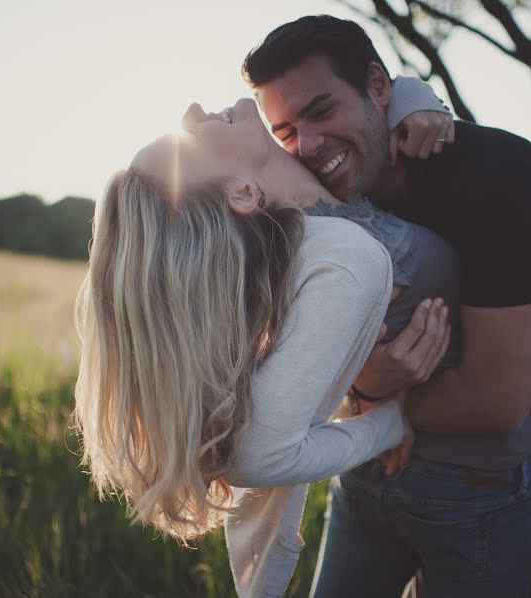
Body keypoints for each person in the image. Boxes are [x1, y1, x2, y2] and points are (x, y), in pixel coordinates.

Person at [244, 15, 531, 598]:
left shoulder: (494, 178)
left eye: (320, 111)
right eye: (285, 131)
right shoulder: (341, 182)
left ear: (377, 85)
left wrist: (373, 398)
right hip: (466, 433)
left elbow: (496, 403)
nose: (307, 147)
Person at [73, 96, 456, 597]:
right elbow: (258, 457)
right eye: (182, 146)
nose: (190, 110)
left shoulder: (309, 193)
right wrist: (390, 422)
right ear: (245, 192)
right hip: (465, 494)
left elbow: (359, 101)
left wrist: (412, 97)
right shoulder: (343, 260)